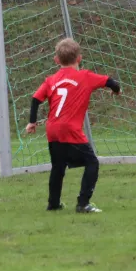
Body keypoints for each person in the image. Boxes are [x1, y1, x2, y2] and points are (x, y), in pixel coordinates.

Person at [26, 38, 121, 213]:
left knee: (58, 167)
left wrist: (32, 122)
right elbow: (112, 82)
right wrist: (116, 91)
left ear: (56, 60)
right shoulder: (85, 76)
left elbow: (35, 99)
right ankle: (83, 203)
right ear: (79, 58)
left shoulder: (51, 80)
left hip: (52, 129)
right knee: (92, 162)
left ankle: (53, 204)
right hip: (70, 129)